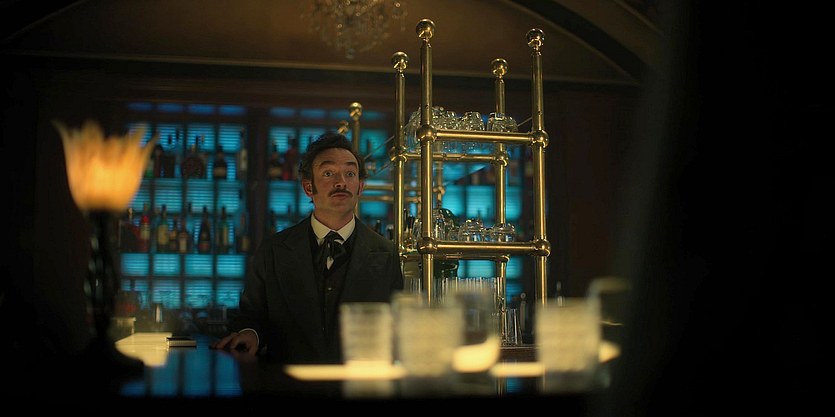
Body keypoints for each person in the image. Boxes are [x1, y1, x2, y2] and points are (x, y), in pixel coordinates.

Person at [210, 132, 404, 364]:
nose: (341, 182)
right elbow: (250, 316)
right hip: (286, 380)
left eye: (350, 174)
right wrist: (251, 334)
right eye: (328, 173)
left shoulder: (386, 253)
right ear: (308, 187)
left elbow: (397, 326)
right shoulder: (274, 250)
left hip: (360, 380)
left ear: (360, 187)